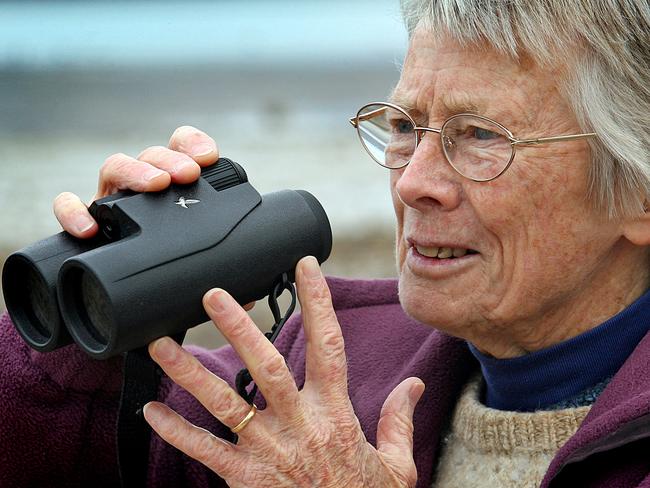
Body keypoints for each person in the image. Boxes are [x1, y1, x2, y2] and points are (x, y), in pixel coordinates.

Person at [1, 1, 649, 487]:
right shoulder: (329, 355)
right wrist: (81, 333)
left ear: (638, 195)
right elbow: (77, 456)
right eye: (402, 125)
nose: (413, 183)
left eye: (480, 135)